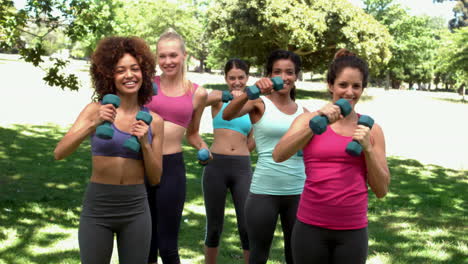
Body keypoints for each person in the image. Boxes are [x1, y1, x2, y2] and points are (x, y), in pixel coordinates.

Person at [272, 49, 391, 264]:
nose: (349, 92)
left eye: (356, 86)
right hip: (310, 227)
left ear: (363, 89)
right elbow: (279, 155)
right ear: (330, 85)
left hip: (352, 230)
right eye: (343, 85)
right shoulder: (307, 120)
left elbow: (381, 190)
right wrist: (318, 123)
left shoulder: (372, 130)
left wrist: (368, 150)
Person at [53, 36, 164, 264]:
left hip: (135, 209)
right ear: (109, 76)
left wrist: (144, 143)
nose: (129, 75)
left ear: (144, 72)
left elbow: (155, 178)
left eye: (135, 68)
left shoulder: (154, 121)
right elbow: (59, 152)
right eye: (120, 70)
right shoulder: (95, 109)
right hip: (98, 206)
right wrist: (93, 124)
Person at [223, 50, 308, 264]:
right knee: (258, 256)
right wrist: (249, 93)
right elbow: (228, 114)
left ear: (296, 76)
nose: (283, 77)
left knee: (296, 256)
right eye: (277, 72)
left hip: (298, 192)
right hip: (264, 192)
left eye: (289, 72)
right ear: (269, 75)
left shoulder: (305, 112)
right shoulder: (259, 104)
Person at [144, 29, 209, 264]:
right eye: (162, 56)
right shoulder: (146, 85)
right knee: (145, 245)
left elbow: (192, 134)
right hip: (139, 165)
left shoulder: (197, 93)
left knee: (168, 246)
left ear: (184, 55)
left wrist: (204, 148)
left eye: (173, 55)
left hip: (171, 168)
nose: (167, 61)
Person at [203, 58, 255, 264]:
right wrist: (221, 95)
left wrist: (241, 150)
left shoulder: (252, 103)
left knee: (246, 225)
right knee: (214, 226)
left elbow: (253, 139)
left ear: (247, 78)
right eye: (232, 78)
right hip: (216, 166)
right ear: (225, 78)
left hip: (242, 168)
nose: (236, 82)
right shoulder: (217, 99)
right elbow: (197, 103)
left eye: (240, 77)